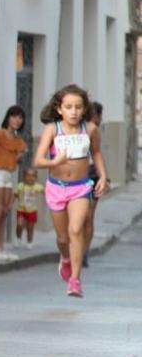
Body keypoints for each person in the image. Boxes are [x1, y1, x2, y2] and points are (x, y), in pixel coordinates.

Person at [33, 85, 108, 297]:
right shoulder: (52, 130)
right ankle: (65, 258)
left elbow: (96, 153)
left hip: (81, 187)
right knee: (63, 238)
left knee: (76, 230)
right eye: (68, 107)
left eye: (78, 107)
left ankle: (75, 280)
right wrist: (54, 161)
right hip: (57, 188)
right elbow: (38, 160)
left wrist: (102, 176)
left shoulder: (90, 129)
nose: (73, 111)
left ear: (84, 109)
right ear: (59, 109)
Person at [0, 105, 27, 261]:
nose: (17, 120)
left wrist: (19, 157)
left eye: (20, 117)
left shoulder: (19, 141)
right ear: (8, 118)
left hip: (9, 174)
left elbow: (17, 161)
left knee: (4, 211)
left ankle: (0, 247)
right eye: (14, 116)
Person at [83, 101, 106, 266]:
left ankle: (81, 251)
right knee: (88, 216)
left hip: (88, 174)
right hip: (87, 173)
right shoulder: (90, 129)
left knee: (85, 216)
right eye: (99, 115)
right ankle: (83, 251)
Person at [14, 168, 43, 249]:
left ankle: (29, 242)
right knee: (19, 225)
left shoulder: (37, 186)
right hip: (21, 210)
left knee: (30, 228)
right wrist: (10, 203)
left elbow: (44, 191)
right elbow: (15, 195)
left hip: (32, 211)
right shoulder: (20, 186)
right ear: (23, 177)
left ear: (36, 178)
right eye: (28, 176)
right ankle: (18, 238)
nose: (30, 178)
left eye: (33, 176)